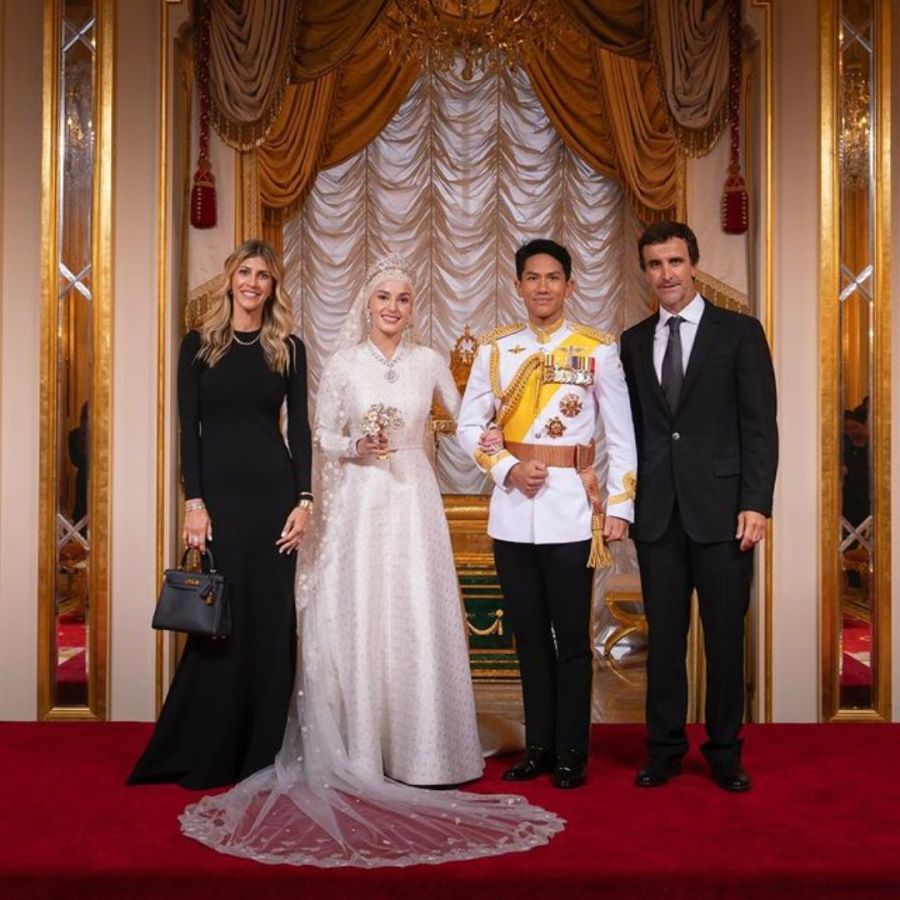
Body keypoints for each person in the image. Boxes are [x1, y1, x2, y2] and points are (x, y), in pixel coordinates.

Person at [178, 254, 563, 867]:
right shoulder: (343, 364)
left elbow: (466, 423)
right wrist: (354, 444)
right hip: (358, 503)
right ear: (367, 303)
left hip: (413, 499)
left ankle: (423, 754)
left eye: (404, 299)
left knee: (412, 616)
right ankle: (358, 751)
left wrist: (494, 440)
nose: (393, 307)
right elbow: (317, 435)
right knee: (359, 617)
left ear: (413, 308)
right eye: (383, 296)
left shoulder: (429, 361)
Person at [128, 240, 312, 789]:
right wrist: (194, 501)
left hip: (275, 499)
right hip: (221, 504)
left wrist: (304, 501)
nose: (253, 283)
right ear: (230, 278)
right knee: (221, 625)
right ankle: (206, 746)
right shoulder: (198, 346)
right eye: (245, 272)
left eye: (264, 276)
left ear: (273, 286)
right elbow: (191, 430)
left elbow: (298, 430)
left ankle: (261, 753)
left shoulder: (289, 349)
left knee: (270, 620)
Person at [457, 239, 637, 789]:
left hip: (571, 514)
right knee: (529, 636)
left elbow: (623, 436)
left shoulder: (596, 349)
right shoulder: (496, 349)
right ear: (518, 286)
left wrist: (621, 506)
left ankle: (572, 751)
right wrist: (506, 467)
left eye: (553, 277)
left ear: (569, 285)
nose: (542, 286)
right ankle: (537, 746)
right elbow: (469, 426)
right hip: (512, 513)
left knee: (571, 638)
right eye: (532, 277)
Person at [619, 221, 778, 793]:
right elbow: (627, 431)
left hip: (724, 515)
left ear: (695, 264)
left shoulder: (739, 333)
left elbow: (760, 427)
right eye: (656, 264)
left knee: (724, 641)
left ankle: (725, 753)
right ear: (646, 272)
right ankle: (662, 751)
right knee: (663, 640)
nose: (667, 274)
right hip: (658, 514)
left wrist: (756, 503)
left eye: (676, 262)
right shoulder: (632, 342)